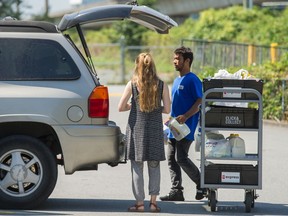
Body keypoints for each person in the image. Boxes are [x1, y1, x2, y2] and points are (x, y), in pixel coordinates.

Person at [118, 52, 171, 212]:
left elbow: (120, 107)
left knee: (137, 166)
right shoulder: (162, 85)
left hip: (137, 130)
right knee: (154, 166)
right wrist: (156, 108)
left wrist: (132, 106)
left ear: (137, 66)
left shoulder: (132, 85)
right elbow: (168, 109)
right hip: (154, 128)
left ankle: (139, 204)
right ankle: (153, 204)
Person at [160, 46, 206, 202]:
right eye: (174, 58)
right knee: (171, 158)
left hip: (186, 128)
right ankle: (176, 190)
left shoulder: (192, 79)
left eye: (178, 59)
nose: (174, 61)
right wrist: (170, 120)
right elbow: (176, 104)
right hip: (175, 126)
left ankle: (201, 183)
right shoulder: (177, 79)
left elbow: (200, 101)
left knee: (181, 158)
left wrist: (186, 116)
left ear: (187, 61)